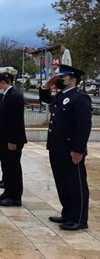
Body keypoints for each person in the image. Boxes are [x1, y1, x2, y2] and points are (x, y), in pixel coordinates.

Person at [39, 64, 92, 231]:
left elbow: (83, 127)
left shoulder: (80, 98)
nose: (58, 81)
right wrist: (46, 85)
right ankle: (68, 213)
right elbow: (46, 99)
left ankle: (79, 219)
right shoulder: (61, 96)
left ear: (73, 80)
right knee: (62, 182)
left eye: (61, 78)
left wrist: (78, 150)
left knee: (75, 183)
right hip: (57, 147)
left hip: (71, 149)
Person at [0, 73, 27, 207]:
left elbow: (15, 121)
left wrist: (13, 140)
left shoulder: (14, 96)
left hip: (12, 140)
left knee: (13, 167)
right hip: (4, 137)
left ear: (3, 82)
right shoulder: (5, 95)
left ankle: (15, 197)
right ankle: (8, 192)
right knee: (7, 166)